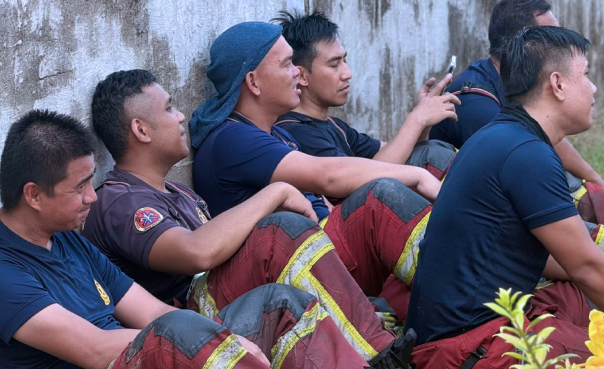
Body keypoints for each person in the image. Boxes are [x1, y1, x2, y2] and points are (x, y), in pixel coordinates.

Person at [0, 110, 402, 369]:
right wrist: (215, 340)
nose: (91, 197)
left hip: (138, 363)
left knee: (280, 305)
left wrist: (218, 336)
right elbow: (96, 351)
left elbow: (148, 310)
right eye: (79, 188)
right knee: (179, 334)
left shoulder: (66, 234)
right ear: (33, 195)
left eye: (91, 182)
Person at [83, 69, 439, 369]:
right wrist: (276, 192)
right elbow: (197, 253)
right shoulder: (117, 200)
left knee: (291, 272)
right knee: (278, 234)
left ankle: (392, 366)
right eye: (170, 108)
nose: (181, 117)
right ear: (141, 130)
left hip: (222, 309)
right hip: (185, 331)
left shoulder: (182, 194)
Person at [406, 26, 604, 369]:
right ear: (557, 84)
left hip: (459, 341)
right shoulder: (525, 153)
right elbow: (586, 268)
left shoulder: (504, 138)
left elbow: (523, 251)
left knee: (600, 309)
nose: (593, 89)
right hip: (468, 355)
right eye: (586, 75)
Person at [189, 22, 441, 323]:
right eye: (286, 65)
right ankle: (470, 281)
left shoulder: (276, 136)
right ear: (254, 82)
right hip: (291, 276)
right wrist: (417, 176)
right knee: (378, 201)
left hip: (321, 256)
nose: (297, 72)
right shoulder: (231, 139)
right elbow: (329, 176)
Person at [429, 0, 604, 246]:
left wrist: (602, 185)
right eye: (553, 35)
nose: (563, 41)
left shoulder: (510, 83)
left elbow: (547, 137)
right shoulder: (476, 102)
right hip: (491, 222)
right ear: (526, 42)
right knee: (563, 186)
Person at [272, 11, 460, 181]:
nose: (347, 73)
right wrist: (416, 119)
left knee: (432, 150)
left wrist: (424, 120)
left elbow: (403, 154)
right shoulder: (296, 132)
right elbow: (372, 183)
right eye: (334, 65)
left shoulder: (335, 126)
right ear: (302, 76)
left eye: (345, 61)